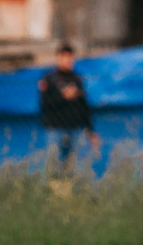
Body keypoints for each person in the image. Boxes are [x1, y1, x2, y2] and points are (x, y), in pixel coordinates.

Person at [37, 43, 100, 175]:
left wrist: (90, 130)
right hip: (55, 128)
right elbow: (45, 104)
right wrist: (63, 97)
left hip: (75, 129)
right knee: (53, 168)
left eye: (70, 57)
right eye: (64, 57)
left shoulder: (76, 79)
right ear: (58, 58)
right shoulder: (49, 79)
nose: (67, 60)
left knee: (74, 169)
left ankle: (70, 194)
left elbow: (84, 106)